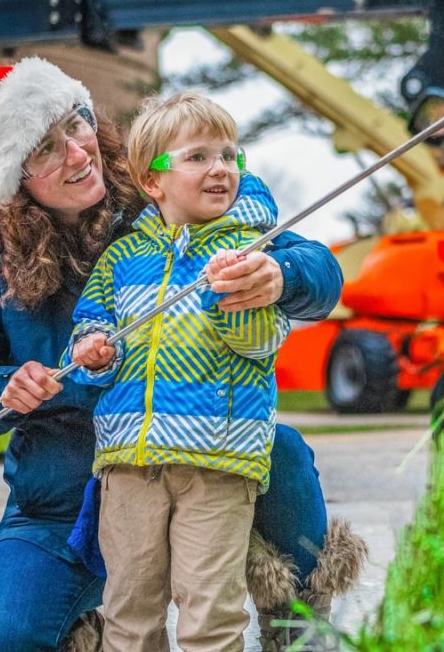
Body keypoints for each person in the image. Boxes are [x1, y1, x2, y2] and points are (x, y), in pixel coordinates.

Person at [0, 58, 366, 652]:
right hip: (64, 493)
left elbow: (319, 270)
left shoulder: (168, 189)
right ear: (11, 180)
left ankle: (297, 621)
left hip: (204, 452)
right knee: (3, 632)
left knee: (277, 450)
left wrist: (280, 274)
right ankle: (85, 628)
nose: (78, 153)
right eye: (45, 149)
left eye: (76, 124)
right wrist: (3, 387)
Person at [67, 92, 289, 651]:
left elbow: (264, 343)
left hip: (217, 460)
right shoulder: (120, 260)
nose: (221, 168)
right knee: (129, 610)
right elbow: (88, 336)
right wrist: (93, 351)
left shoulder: (253, 251)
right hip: (129, 465)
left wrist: (227, 296)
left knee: (210, 609)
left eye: (230, 155)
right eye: (198, 157)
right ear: (152, 181)